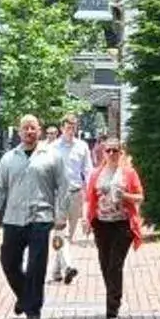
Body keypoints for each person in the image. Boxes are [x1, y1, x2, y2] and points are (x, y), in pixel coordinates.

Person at [0, 116, 64, 319]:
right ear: (19, 132)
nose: (29, 131)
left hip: (41, 216)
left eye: (33, 128)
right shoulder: (9, 158)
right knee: (9, 261)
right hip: (13, 217)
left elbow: (63, 186)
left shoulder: (52, 156)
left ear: (39, 131)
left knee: (36, 264)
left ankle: (33, 309)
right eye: (25, 128)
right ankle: (24, 296)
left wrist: (61, 213)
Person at [82, 135, 144, 318]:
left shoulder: (128, 173)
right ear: (103, 152)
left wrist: (124, 196)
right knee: (104, 263)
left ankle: (112, 305)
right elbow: (89, 198)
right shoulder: (96, 174)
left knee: (115, 265)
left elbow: (140, 197)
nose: (111, 154)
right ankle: (113, 294)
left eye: (114, 150)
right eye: (108, 150)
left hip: (122, 224)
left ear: (120, 152)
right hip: (102, 224)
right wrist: (86, 220)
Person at [49, 114, 92, 282]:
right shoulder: (53, 148)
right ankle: (68, 267)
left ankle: (56, 271)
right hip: (58, 194)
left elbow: (88, 170)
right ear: (62, 128)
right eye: (68, 127)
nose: (71, 131)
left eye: (74, 127)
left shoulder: (82, 147)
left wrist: (90, 193)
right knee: (61, 233)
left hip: (76, 194)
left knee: (69, 236)